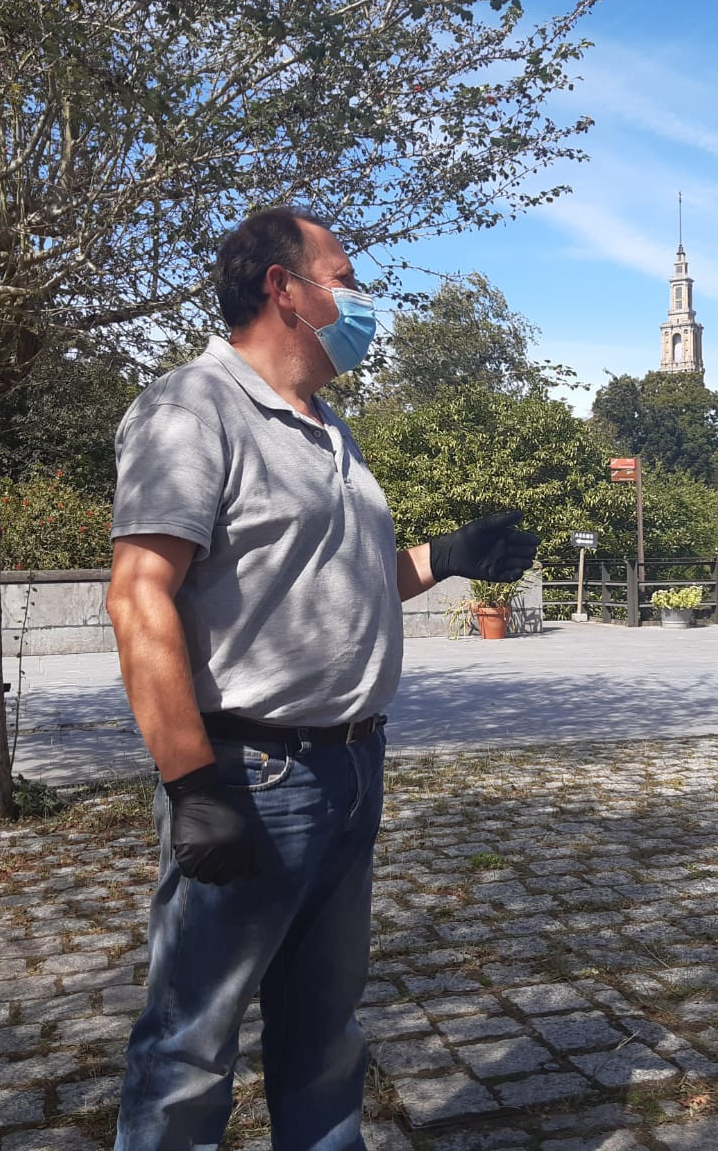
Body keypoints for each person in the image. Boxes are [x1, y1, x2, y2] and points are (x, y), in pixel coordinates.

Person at [107, 206, 537, 1151]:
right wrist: (192, 783)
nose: (361, 299)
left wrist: (451, 553)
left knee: (323, 1036)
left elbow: (346, 579)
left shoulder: (327, 427)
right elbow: (139, 594)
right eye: (342, 276)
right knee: (189, 1046)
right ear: (283, 289)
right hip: (250, 776)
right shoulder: (193, 408)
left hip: (349, 771)